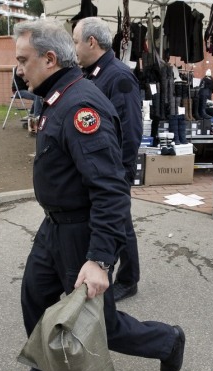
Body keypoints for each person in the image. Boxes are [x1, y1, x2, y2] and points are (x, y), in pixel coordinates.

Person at [3, 19, 185, 371]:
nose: (18, 69)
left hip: (81, 230)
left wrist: (100, 260)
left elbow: (111, 188)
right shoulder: (57, 94)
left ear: (49, 59)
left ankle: (167, 341)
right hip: (55, 225)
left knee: (103, 324)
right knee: (35, 294)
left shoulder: (80, 106)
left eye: (23, 60)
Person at [73, 17, 143, 301]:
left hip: (114, 171)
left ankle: (128, 280)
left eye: (76, 41)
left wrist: (121, 173)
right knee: (114, 223)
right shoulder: (93, 74)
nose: (73, 47)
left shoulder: (119, 77)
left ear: (92, 42)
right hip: (99, 169)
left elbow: (131, 131)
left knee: (120, 225)